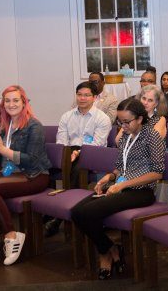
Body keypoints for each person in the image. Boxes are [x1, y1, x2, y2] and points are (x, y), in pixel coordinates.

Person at [71, 98, 166, 280]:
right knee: (76, 212)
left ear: (139, 119)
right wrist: (110, 176)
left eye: (127, 121)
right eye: (120, 122)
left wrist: (122, 184)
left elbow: (157, 173)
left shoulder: (151, 136)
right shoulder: (124, 135)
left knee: (89, 212)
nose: (123, 126)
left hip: (141, 192)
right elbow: (121, 166)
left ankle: (104, 254)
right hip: (120, 187)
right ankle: (110, 247)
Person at [0, 85, 51, 265]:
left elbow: (31, 160)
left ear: (24, 102)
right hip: (11, 174)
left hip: (34, 176)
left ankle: (10, 235)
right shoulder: (5, 126)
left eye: (16, 100)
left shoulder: (34, 126)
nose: (11, 104)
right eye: (7, 100)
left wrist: (3, 149)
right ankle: (11, 234)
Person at [45, 81, 112, 237]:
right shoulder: (67, 116)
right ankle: (49, 209)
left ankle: (62, 215)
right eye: (79, 95)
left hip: (92, 155)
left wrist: (78, 153)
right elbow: (61, 140)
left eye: (87, 95)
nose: (82, 98)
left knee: (76, 168)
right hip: (68, 151)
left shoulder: (102, 118)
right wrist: (66, 154)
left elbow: (97, 145)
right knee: (45, 165)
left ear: (95, 97)